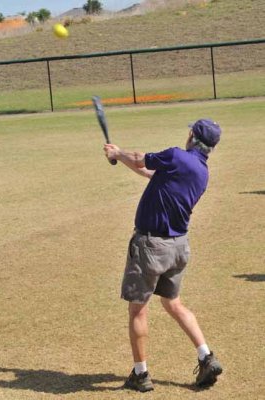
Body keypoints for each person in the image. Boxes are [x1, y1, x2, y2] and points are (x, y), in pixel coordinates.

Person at [104, 118, 223, 392]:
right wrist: (120, 156)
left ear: (192, 135)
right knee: (174, 304)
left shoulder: (176, 155)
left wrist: (118, 153)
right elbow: (150, 172)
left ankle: (140, 374)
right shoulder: (200, 171)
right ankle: (206, 356)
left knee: (138, 308)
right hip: (178, 248)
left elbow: (138, 158)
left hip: (150, 246)